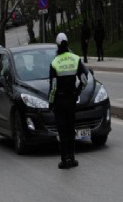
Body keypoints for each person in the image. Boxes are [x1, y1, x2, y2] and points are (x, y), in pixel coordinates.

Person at [48, 33, 88, 169]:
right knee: (71, 130)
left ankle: (64, 160)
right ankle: (73, 158)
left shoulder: (54, 62)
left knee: (62, 131)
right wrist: (77, 92)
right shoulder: (76, 59)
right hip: (71, 99)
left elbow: (53, 87)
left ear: (57, 45)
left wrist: (50, 102)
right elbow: (84, 80)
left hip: (59, 100)